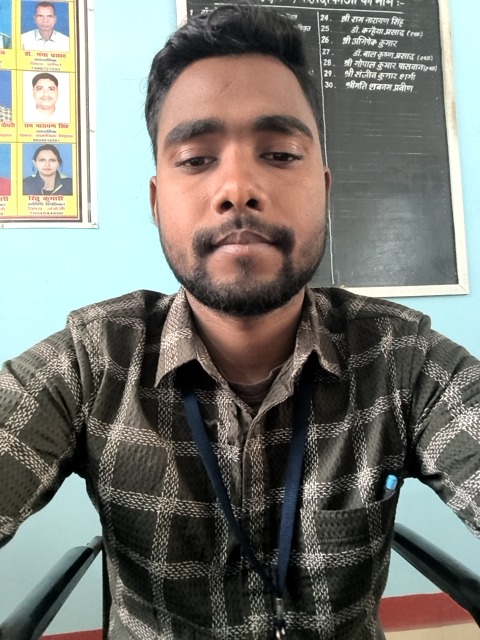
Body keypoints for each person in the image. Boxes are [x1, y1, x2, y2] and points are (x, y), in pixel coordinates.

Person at [1, 4, 479, 639]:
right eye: (196, 159)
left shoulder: (401, 359)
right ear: (156, 202)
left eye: (279, 153)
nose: (237, 189)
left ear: (325, 188)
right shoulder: (93, 361)